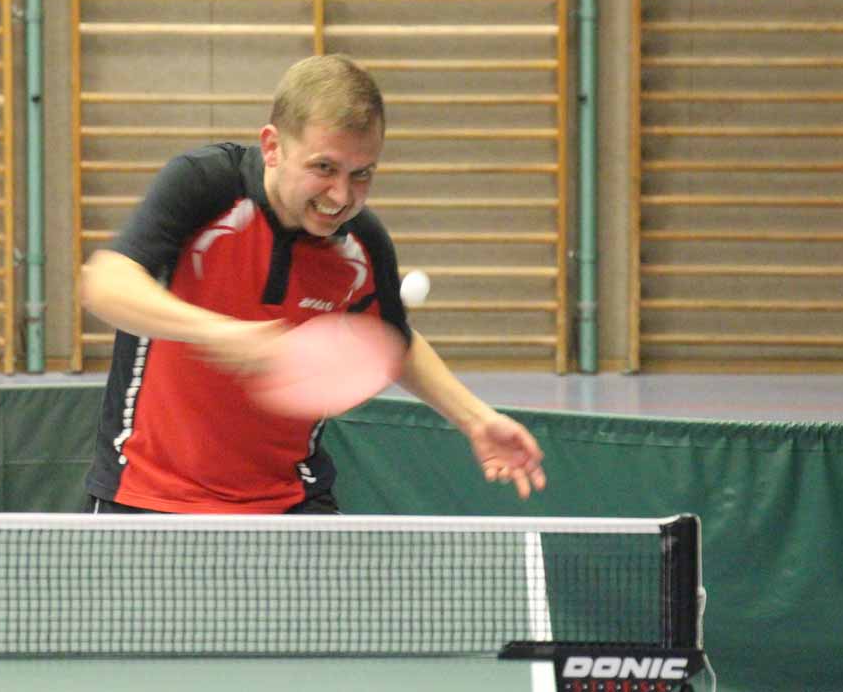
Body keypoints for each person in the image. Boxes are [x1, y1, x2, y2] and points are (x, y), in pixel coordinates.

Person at [80, 54, 546, 513]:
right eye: (324, 168)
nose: (341, 196)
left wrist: (476, 419)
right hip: (147, 494)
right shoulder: (205, 186)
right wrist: (218, 332)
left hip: (288, 501)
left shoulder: (363, 244)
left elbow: (392, 339)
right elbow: (105, 282)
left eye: (361, 174)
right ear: (272, 147)